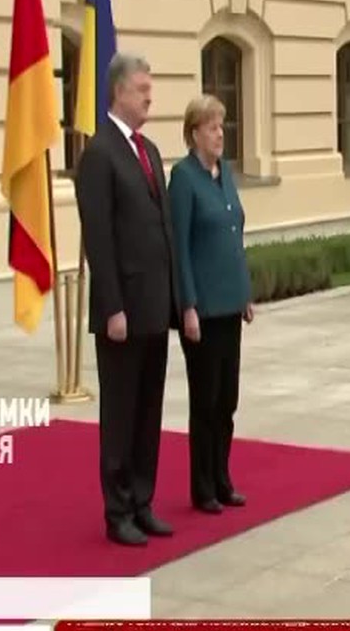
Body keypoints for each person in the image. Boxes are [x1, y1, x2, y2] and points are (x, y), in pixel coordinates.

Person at [75, 52, 179, 546]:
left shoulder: (149, 151)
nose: (149, 97)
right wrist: (113, 306)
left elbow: (161, 228)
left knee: (148, 410)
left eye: (149, 88)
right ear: (118, 91)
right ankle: (117, 511)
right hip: (123, 309)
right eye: (142, 89)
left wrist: (174, 297)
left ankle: (142, 500)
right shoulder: (100, 153)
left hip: (154, 304)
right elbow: (99, 237)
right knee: (120, 412)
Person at [168, 94, 254, 515]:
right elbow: (179, 247)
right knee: (205, 400)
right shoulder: (183, 179)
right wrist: (187, 305)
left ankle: (223, 478)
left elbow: (235, 235)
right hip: (201, 311)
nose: (220, 134)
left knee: (227, 400)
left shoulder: (227, 173)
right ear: (194, 133)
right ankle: (202, 487)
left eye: (222, 126)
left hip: (229, 305)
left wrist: (245, 292)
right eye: (212, 127)